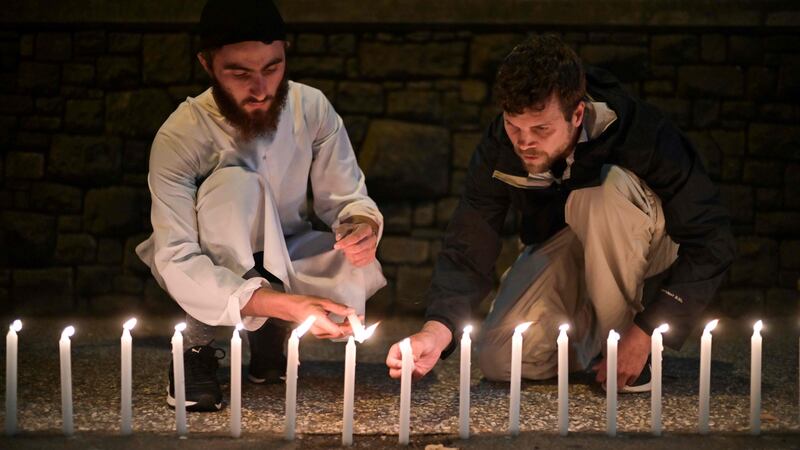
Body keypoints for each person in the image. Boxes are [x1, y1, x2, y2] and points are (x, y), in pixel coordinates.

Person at [386, 34, 734, 392]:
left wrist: (648, 329)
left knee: (597, 197)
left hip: (646, 236)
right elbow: (470, 240)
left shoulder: (640, 132)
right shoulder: (499, 148)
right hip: (566, 241)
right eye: (514, 126)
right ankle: (591, 342)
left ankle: (626, 351)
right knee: (502, 359)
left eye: (541, 128)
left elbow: (712, 238)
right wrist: (436, 331)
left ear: (577, 113)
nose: (525, 142)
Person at [136, 0, 386, 411]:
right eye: (240, 73)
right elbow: (177, 256)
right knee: (236, 186)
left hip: (289, 252)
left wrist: (361, 226)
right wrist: (286, 305)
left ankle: (268, 333)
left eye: (273, 68)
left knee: (348, 261)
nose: (261, 88)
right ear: (206, 63)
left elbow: (347, 198)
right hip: (205, 264)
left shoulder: (312, 108)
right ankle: (196, 349)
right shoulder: (180, 136)